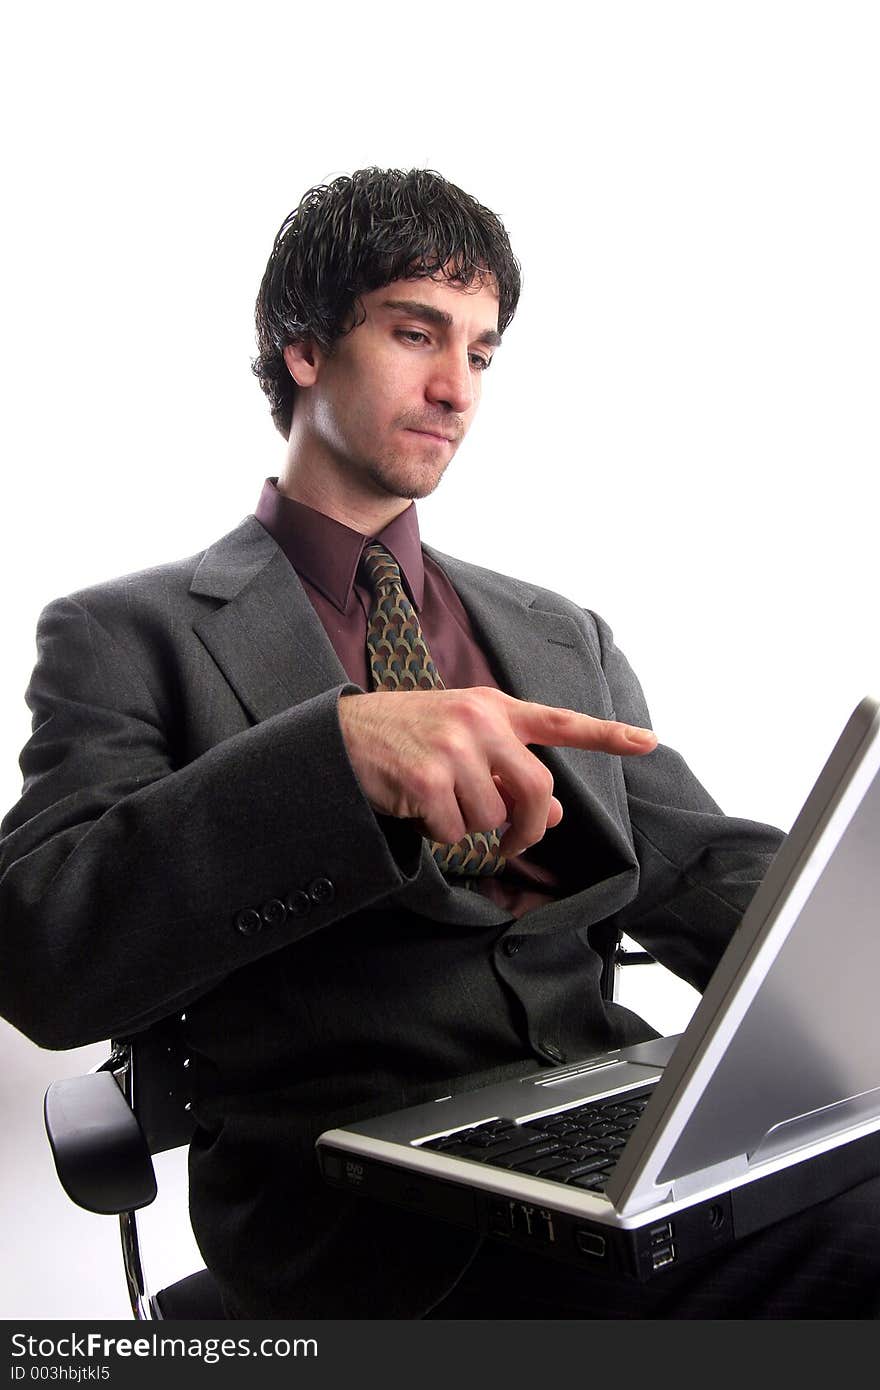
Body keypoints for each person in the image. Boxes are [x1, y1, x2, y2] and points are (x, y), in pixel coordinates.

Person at [0, 168, 876, 1319]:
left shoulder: (556, 630)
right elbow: (43, 954)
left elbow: (701, 869)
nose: (456, 388)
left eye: (481, 352)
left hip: (604, 1142)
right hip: (360, 1217)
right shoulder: (127, 634)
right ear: (303, 346)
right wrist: (336, 758)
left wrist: (847, 971)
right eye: (418, 333)